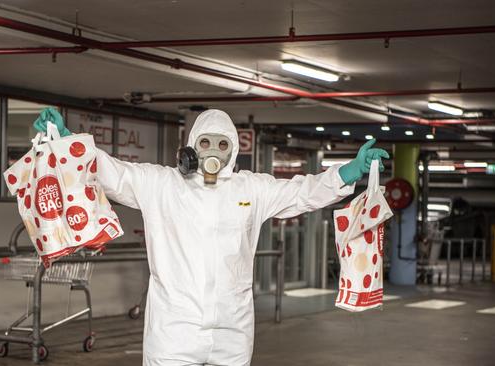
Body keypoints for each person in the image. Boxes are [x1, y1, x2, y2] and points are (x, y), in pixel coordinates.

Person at [34, 108, 388, 366]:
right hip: (174, 330)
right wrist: (67, 141)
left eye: (222, 143)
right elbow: (112, 173)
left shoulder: (252, 187)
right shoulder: (159, 184)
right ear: (191, 147)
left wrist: (348, 171)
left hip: (233, 329)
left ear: (233, 149)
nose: (213, 151)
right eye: (205, 142)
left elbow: (302, 192)